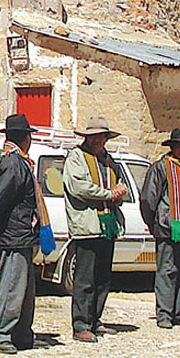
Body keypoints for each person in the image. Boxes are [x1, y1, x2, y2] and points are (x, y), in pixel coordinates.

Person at [0, 112, 50, 354]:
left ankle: (22, 334)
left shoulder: (17, 161)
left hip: (20, 234)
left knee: (24, 289)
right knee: (12, 286)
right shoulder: (13, 163)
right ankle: (2, 334)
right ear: (26, 139)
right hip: (14, 234)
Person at [62, 117, 129, 342]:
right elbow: (79, 187)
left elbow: (121, 185)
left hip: (107, 225)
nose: (98, 140)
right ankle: (80, 324)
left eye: (102, 136)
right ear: (87, 137)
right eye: (95, 136)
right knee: (85, 279)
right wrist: (109, 194)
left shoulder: (109, 161)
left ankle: (95, 319)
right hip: (87, 225)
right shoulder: (77, 158)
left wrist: (120, 192)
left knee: (103, 277)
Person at [140, 128, 180, 329]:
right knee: (166, 270)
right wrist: (153, 222)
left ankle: (177, 311)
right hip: (167, 226)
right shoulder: (161, 168)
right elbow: (149, 199)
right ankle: (164, 313)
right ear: (171, 147)